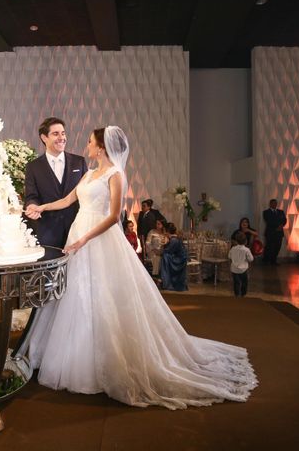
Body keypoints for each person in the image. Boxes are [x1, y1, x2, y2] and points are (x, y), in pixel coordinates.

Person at [23, 126, 257, 409]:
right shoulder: (87, 174)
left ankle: (103, 359)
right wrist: (41, 208)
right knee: (76, 295)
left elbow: (113, 217)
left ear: (101, 147)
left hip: (96, 238)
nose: (85, 146)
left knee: (104, 296)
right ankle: (73, 353)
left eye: (90, 142)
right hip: (77, 237)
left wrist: (84, 238)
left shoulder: (115, 175)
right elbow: (67, 200)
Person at [24, 117, 88, 248]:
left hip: (77, 228)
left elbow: (86, 194)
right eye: (55, 133)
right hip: (47, 231)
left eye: (63, 133)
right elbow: (31, 196)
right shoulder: (33, 167)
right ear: (44, 137)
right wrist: (32, 206)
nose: (61, 137)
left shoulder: (79, 162)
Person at [159, 222, 188, 291]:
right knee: (165, 256)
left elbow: (168, 251)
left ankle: (166, 281)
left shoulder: (174, 240)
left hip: (180, 260)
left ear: (167, 231)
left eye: (164, 230)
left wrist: (164, 245)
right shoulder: (174, 238)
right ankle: (163, 279)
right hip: (178, 257)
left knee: (165, 257)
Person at [229, 231, 254, 297]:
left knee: (236, 283)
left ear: (236, 241)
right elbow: (251, 259)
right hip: (243, 270)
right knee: (244, 282)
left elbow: (229, 256)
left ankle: (237, 294)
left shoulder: (233, 248)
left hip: (234, 269)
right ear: (246, 241)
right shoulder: (246, 250)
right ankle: (243, 294)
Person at [262, 199, 287, 264]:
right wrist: (277, 227)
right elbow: (268, 221)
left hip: (279, 233)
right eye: (273, 203)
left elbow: (284, 220)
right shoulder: (266, 212)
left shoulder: (281, 212)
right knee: (269, 247)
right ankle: (266, 261)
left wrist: (281, 226)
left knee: (277, 247)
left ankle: (274, 260)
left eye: (275, 203)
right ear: (270, 204)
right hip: (270, 232)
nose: (274, 204)